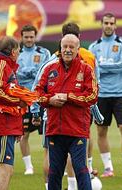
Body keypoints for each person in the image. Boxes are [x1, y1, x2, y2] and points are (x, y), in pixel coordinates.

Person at [35, 34, 97, 190]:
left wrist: (68, 97)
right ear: (60, 48)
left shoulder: (86, 70)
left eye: (71, 47)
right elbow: (37, 94)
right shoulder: (50, 69)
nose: (68, 50)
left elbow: (92, 96)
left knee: (81, 170)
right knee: (54, 172)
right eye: (65, 47)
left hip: (77, 131)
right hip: (55, 130)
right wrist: (50, 100)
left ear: (78, 49)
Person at [88, 12, 122, 178]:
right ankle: (108, 167)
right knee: (101, 131)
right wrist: (105, 66)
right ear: (101, 24)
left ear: (115, 25)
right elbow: (92, 70)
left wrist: (102, 66)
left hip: (120, 92)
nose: (108, 26)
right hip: (101, 94)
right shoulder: (93, 47)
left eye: (111, 23)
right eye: (105, 23)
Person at [0, 36, 25, 190]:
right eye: (19, 51)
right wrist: (19, 101)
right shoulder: (1, 64)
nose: (19, 53)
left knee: (7, 169)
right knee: (5, 168)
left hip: (7, 125)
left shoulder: (5, 66)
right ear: (13, 51)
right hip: (1, 125)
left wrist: (18, 126)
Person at [17, 25, 51, 175]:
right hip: (24, 100)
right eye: (26, 37)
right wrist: (33, 71)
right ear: (22, 37)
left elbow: (46, 71)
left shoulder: (44, 52)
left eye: (31, 37)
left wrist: (28, 72)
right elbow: (16, 73)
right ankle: (28, 167)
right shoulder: (16, 52)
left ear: (35, 37)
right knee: (24, 134)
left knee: (50, 134)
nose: (29, 39)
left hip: (42, 99)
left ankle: (54, 165)